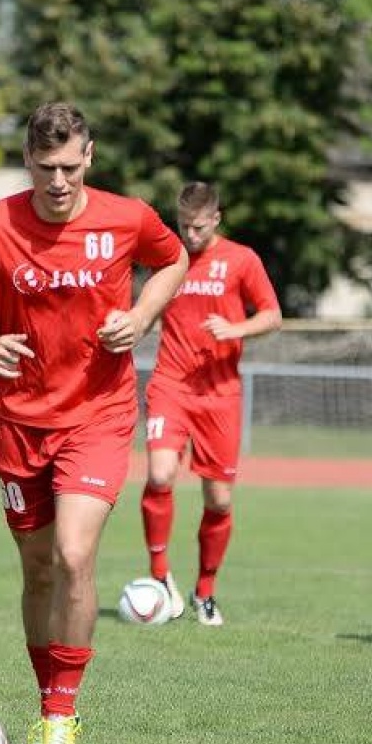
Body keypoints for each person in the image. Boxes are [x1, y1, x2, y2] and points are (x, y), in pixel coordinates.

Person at [0, 102, 189, 744]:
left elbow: (173, 260)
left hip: (99, 416)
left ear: (90, 158)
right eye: (46, 167)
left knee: (74, 556)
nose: (59, 181)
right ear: (27, 162)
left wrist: (139, 316)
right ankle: (47, 694)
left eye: (71, 166)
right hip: (20, 423)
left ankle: (59, 715)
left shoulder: (126, 217)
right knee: (39, 568)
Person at [138, 182, 281, 625]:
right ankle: (160, 577)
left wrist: (236, 330)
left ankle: (205, 592)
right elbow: (146, 313)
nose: (191, 236)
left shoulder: (242, 260)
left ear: (216, 219)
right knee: (160, 473)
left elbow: (272, 315)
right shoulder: (168, 259)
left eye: (198, 227)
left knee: (218, 499)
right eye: (183, 227)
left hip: (220, 395)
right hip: (171, 386)